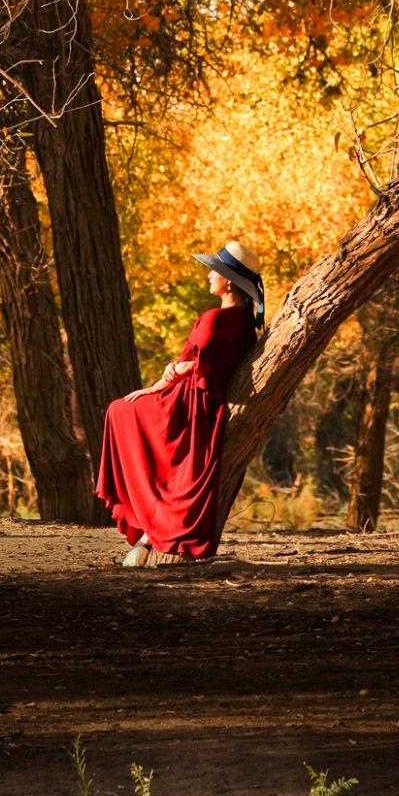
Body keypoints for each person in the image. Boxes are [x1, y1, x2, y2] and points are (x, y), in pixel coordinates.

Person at [95, 239, 264, 566]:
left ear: (228, 280)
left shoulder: (217, 320)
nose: (207, 277)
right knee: (124, 412)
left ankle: (147, 517)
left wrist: (165, 379)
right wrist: (168, 377)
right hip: (197, 399)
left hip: (189, 402)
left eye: (213, 272)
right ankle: (148, 522)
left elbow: (201, 366)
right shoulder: (242, 321)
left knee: (120, 411)